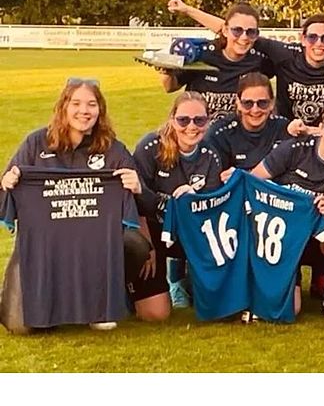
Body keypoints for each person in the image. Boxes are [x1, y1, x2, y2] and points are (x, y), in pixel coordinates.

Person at [0, 78, 156, 327]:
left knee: (134, 244)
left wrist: (138, 189)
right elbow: (4, 197)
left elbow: (151, 205)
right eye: (76, 103)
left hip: (95, 246)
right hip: (43, 247)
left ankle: (101, 302)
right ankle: (55, 303)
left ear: (100, 110)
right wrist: (7, 184)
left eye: (91, 104)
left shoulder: (112, 150)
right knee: (20, 327)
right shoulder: (36, 143)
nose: (84, 111)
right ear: (63, 106)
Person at [169, 0, 324, 125]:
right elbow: (230, 29)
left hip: (320, 135)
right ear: (303, 39)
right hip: (282, 134)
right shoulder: (283, 54)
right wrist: (187, 9)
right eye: (312, 37)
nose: (318, 43)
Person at [250, 103, 324, 319]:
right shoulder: (294, 149)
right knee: (292, 309)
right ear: (320, 128)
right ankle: (272, 285)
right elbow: (254, 181)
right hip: (283, 237)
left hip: (318, 237)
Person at [133, 92, 225, 312]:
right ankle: (140, 287)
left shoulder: (210, 155)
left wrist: (193, 200)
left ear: (208, 122)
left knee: (212, 300)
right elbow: (136, 203)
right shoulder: (150, 148)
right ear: (172, 119)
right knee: (157, 314)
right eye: (183, 120)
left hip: (190, 232)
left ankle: (184, 279)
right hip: (154, 230)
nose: (191, 127)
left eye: (199, 120)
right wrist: (147, 247)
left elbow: (211, 212)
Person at [163, 0, 275, 122]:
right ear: (225, 30)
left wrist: (187, 9)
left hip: (237, 132)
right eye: (237, 30)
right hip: (199, 130)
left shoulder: (259, 60)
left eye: (251, 32)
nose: (244, 37)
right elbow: (170, 87)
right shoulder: (204, 54)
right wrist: (167, 72)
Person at [204, 72, 306, 181]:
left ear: (272, 103)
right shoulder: (219, 134)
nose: (255, 110)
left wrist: (306, 131)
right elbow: (211, 179)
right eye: (248, 103)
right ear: (238, 103)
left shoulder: (284, 129)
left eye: (262, 103)